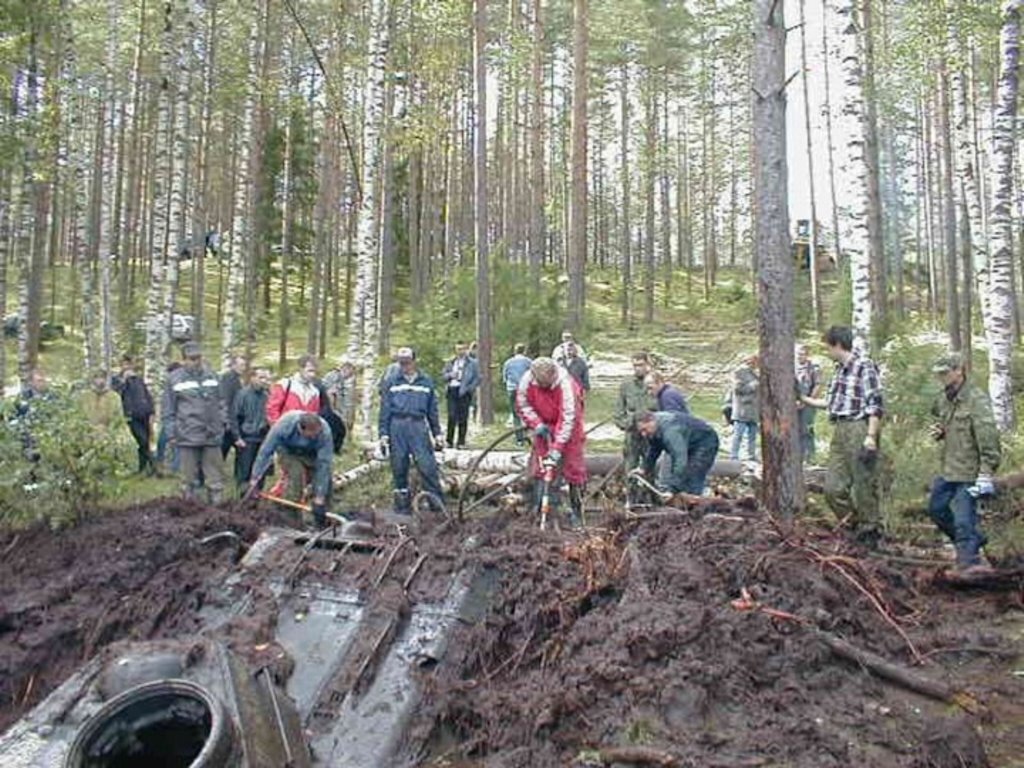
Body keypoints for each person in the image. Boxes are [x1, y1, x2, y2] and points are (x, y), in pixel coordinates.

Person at [799, 325, 884, 547]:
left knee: (864, 482)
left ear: (837, 345)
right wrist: (803, 399)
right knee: (833, 488)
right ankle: (854, 524)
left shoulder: (864, 366)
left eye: (828, 347)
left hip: (859, 426)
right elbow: (829, 402)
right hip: (840, 428)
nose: (827, 351)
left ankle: (870, 531)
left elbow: (875, 403)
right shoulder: (838, 369)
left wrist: (871, 436)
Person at [927, 352, 1001, 573]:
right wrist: (940, 431)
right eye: (939, 374)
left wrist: (986, 472)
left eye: (945, 373)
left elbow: (988, 437)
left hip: (970, 471)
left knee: (963, 519)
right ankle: (973, 541)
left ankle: (969, 563)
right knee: (936, 509)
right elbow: (939, 418)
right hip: (949, 468)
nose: (941, 377)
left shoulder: (976, 400)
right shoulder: (944, 398)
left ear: (959, 371)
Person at [515, 357, 586, 527]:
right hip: (543, 426)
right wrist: (536, 423)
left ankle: (577, 512)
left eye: (546, 384)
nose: (543, 387)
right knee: (541, 468)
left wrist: (557, 448)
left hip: (569, 427)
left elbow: (568, 417)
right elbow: (522, 404)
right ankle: (542, 508)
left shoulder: (566, 385)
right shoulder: (527, 381)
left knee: (573, 469)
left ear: (553, 376)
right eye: (540, 383)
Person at [379, 347, 446, 514]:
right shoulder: (392, 381)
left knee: (427, 465)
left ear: (414, 362)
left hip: (418, 425)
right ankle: (402, 509)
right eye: (401, 363)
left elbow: (432, 410)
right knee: (399, 466)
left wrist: (437, 433)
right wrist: (383, 434)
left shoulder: (426, 382)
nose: (404, 367)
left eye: (407, 363)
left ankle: (436, 506)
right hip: (397, 425)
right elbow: (385, 409)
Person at [163, 342, 226, 503]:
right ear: (184, 360)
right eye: (192, 359)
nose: (196, 362)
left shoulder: (212, 376)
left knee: (215, 480)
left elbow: (222, 402)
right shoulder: (173, 379)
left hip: (212, 434)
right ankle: (188, 512)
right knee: (187, 480)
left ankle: (216, 511)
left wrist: (223, 424)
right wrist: (171, 434)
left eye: (198, 358)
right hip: (186, 435)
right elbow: (168, 409)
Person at [250, 411, 334, 529]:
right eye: (311, 435)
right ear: (301, 429)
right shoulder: (283, 426)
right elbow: (265, 452)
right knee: (296, 478)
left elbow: (324, 464)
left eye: (316, 434)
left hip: (312, 454)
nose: (315, 437)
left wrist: (319, 496)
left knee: (327, 484)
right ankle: (292, 522)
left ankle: (322, 522)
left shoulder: (324, 432)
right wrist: (255, 478)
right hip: (288, 452)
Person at [636, 410, 720, 496]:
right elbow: (654, 449)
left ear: (652, 422)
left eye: (645, 429)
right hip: (689, 442)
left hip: (706, 442)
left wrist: (672, 489)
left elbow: (680, 459)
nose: (644, 434)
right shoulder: (654, 429)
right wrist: (644, 467)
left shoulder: (671, 432)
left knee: (693, 475)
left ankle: (693, 502)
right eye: (641, 431)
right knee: (681, 476)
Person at [613, 352, 658, 484]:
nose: (638, 368)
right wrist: (628, 424)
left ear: (648, 365)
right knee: (630, 469)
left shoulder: (656, 384)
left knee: (652, 470)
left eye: (641, 365)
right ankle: (630, 499)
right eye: (635, 366)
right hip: (632, 436)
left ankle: (653, 498)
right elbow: (618, 413)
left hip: (652, 437)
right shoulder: (626, 385)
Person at [112, 355, 155, 475]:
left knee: (146, 441)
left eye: (128, 364)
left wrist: (151, 411)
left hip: (144, 413)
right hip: (131, 415)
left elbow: (147, 395)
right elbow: (117, 394)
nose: (126, 367)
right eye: (124, 364)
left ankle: (144, 468)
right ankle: (153, 465)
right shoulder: (116, 380)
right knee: (142, 439)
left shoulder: (138, 379)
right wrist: (124, 381)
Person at [231, 367, 272, 489]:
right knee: (245, 471)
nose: (264, 381)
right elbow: (234, 417)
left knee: (261, 471)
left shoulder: (267, 395)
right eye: (261, 378)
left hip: (263, 438)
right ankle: (243, 497)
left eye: (266, 378)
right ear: (252, 378)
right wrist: (237, 437)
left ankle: (258, 495)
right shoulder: (242, 394)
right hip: (247, 438)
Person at [441, 341, 480, 448]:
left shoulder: (472, 363)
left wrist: (469, 389)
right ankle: (449, 440)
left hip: (464, 391)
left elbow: (477, 378)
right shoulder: (450, 362)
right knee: (451, 416)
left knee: (463, 417)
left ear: (466, 350)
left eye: (463, 349)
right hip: (452, 390)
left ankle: (461, 441)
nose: (460, 352)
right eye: (458, 349)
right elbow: (443, 376)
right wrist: (450, 375)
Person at [723, 354, 759, 461]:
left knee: (752, 436)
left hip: (754, 410)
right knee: (738, 434)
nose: (753, 364)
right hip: (742, 409)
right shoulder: (738, 373)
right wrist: (752, 386)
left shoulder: (757, 374)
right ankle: (734, 456)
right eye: (751, 361)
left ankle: (751, 455)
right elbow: (737, 390)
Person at [266, 354, 321, 425]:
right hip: (284, 430)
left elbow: (314, 415)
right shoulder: (285, 385)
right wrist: (278, 428)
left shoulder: (314, 392)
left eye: (315, 372)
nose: (312, 375)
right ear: (300, 369)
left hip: (304, 433)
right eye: (310, 371)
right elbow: (272, 409)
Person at [502, 343, 533, 446]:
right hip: (525, 390)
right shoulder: (528, 362)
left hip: (512, 389)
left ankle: (519, 439)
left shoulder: (508, 362)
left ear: (515, 351)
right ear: (524, 351)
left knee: (515, 415)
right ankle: (527, 434)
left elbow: (505, 378)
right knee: (527, 412)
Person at [795, 344, 822, 460]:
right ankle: (797, 455)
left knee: (807, 429)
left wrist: (808, 400)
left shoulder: (814, 368)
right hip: (793, 404)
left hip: (808, 403)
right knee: (795, 430)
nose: (799, 357)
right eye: (798, 354)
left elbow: (818, 385)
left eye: (802, 354)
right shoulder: (791, 367)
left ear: (807, 355)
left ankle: (810, 456)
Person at [219, 355, 247, 459]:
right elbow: (226, 401)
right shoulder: (229, 378)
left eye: (244, 365)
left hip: (233, 420)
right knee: (222, 450)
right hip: (228, 422)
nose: (243, 368)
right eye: (241, 365)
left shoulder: (237, 379)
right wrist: (227, 422)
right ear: (234, 365)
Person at [323, 355, 357, 431]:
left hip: (342, 411)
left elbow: (349, 402)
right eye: (350, 371)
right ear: (345, 368)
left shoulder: (349, 381)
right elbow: (325, 391)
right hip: (332, 411)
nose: (351, 374)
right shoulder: (332, 376)